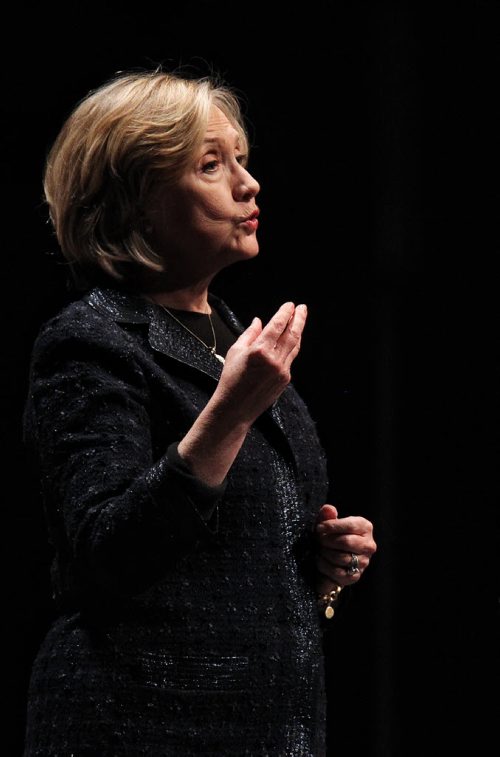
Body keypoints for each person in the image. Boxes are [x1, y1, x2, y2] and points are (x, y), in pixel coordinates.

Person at [22, 67, 376, 756]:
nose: (249, 184)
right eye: (211, 165)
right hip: (140, 727)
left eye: (242, 160)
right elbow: (108, 549)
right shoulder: (90, 341)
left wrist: (321, 562)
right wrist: (228, 415)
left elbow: (225, 557)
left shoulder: (233, 338)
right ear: (134, 201)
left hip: (267, 729)